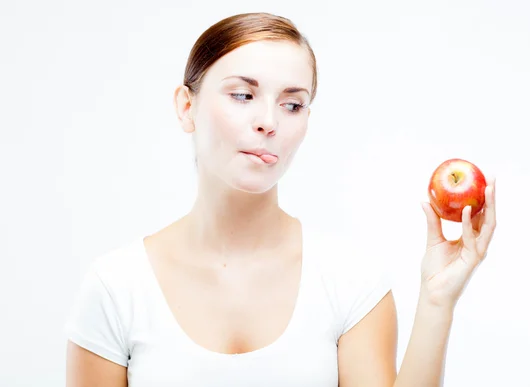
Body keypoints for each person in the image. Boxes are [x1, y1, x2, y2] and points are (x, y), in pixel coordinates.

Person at [64, 12, 497, 387]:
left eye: (293, 104)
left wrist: (437, 301)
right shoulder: (116, 287)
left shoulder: (350, 282)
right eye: (243, 95)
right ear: (185, 107)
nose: (268, 121)